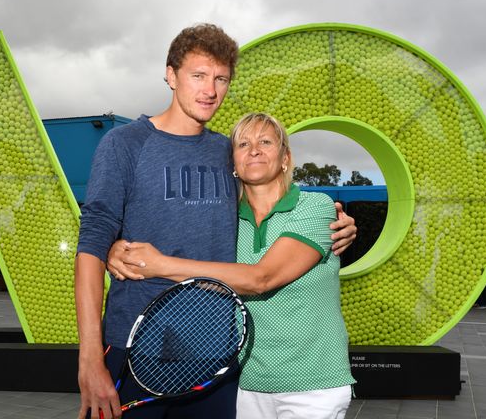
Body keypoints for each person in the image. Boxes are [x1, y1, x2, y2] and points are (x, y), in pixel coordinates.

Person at [75, 24, 357, 419]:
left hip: (217, 356)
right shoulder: (124, 145)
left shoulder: (229, 153)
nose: (210, 90)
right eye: (198, 75)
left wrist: (341, 222)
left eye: (221, 79)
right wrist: (89, 357)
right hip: (135, 348)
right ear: (171, 75)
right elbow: (91, 243)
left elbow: (272, 204)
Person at [110, 113, 355, 419]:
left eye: (266, 142)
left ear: (285, 158)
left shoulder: (315, 207)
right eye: (243, 144)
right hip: (248, 386)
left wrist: (158, 264)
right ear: (234, 165)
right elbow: (207, 275)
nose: (254, 150)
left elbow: (262, 278)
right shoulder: (225, 220)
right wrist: (116, 248)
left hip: (314, 387)